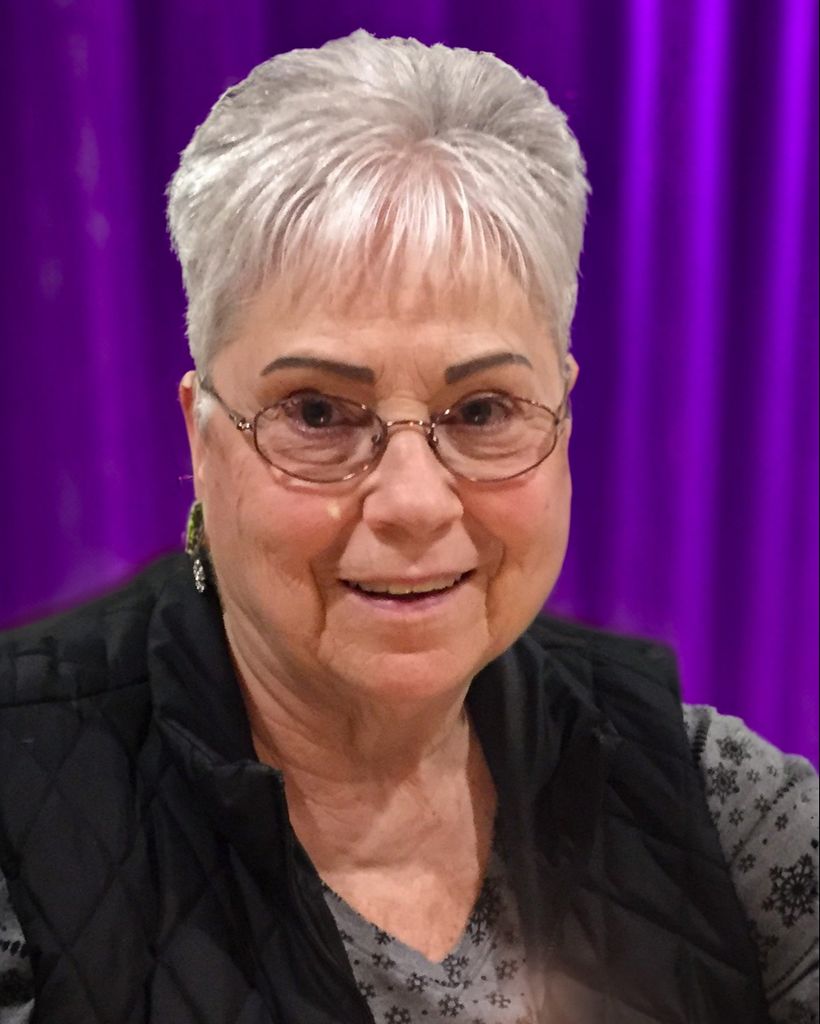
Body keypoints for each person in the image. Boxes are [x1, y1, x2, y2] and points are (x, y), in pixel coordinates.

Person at [0, 30, 816, 1024]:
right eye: (316, 413)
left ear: (562, 416)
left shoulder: (717, 804)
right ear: (202, 436)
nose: (414, 501)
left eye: (482, 411)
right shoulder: (19, 819)